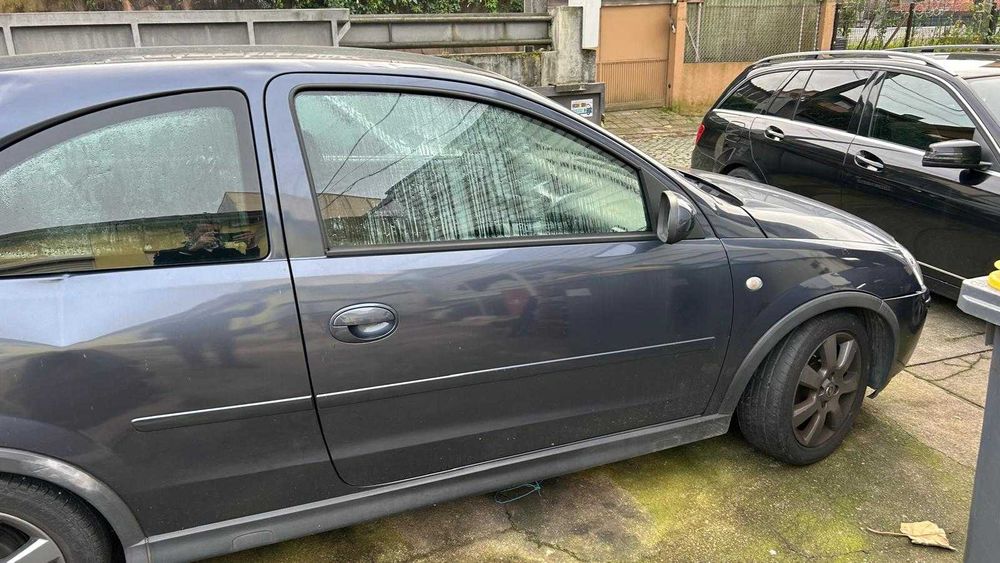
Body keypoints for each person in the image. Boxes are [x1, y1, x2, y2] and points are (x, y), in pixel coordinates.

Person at [153, 221, 259, 266]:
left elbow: (251, 264)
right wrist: (194, 248)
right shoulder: (174, 252)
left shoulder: (227, 252)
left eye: (213, 231)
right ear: (190, 235)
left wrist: (252, 245)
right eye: (204, 231)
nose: (210, 234)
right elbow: (159, 263)